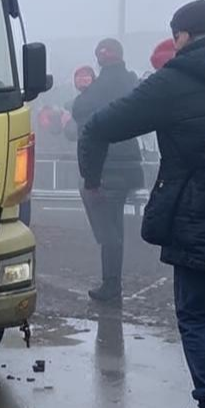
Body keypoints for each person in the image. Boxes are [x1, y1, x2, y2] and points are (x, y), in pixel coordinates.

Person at [79, 0, 205, 408]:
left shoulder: (171, 83)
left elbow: (100, 126)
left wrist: (91, 177)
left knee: (198, 315)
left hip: (199, 217)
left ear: (184, 36)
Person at [72, 39, 144, 302]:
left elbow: (82, 118)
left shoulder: (97, 90)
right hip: (130, 167)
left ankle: (111, 285)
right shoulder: (132, 82)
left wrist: (91, 178)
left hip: (106, 167)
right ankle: (112, 282)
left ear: (99, 59)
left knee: (107, 230)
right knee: (116, 226)